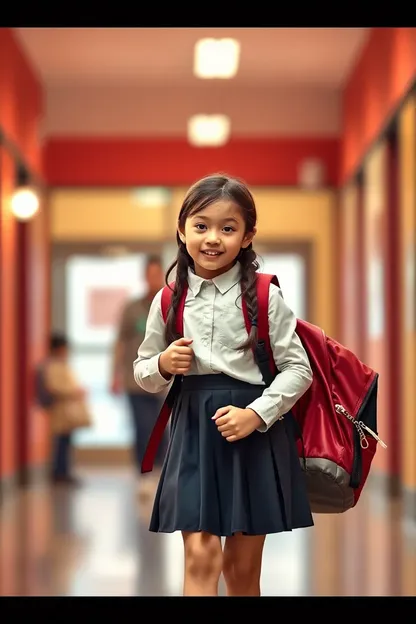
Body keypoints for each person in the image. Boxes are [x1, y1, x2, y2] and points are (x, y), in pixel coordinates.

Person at [133, 174, 314, 597]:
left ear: (247, 235)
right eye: (201, 226)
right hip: (193, 432)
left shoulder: (268, 297)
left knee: (241, 569)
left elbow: (297, 369)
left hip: (253, 433)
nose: (213, 238)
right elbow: (142, 370)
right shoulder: (168, 299)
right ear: (182, 229)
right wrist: (162, 363)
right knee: (199, 557)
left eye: (227, 228)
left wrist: (257, 414)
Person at [111, 255, 167, 498]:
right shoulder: (132, 308)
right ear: (144, 276)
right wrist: (115, 373)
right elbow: (120, 342)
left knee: (161, 429)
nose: (153, 278)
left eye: (157, 274)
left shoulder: (170, 303)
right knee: (142, 428)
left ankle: (158, 473)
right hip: (136, 380)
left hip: (165, 381)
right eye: (150, 274)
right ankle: (143, 475)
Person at [42, 332, 90, 486]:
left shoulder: (62, 364)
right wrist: (74, 392)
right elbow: (55, 387)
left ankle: (64, 471)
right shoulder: (53, 366)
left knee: (66, 443)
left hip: (67, 411)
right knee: (61, 444)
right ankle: (59, 473)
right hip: (62, 411)